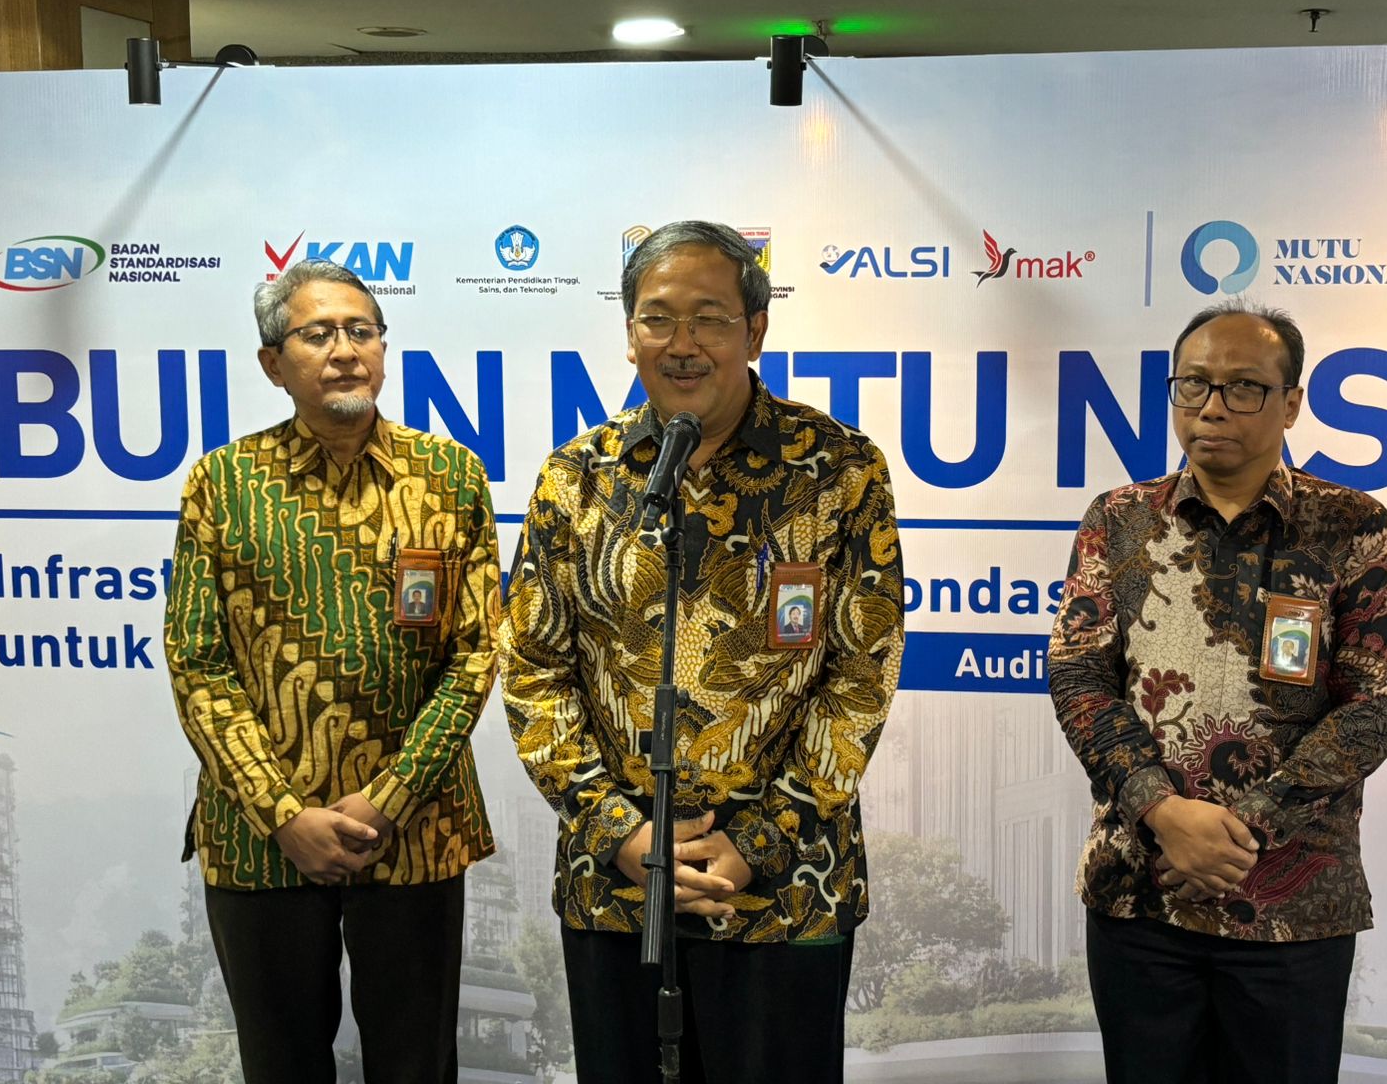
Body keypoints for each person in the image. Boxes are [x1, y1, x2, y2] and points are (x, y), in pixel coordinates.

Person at [499, 220, 904, 1084]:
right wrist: (618, 830)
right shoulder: (577, 477)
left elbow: (861, 673)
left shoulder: (840, 470)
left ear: (755, 330)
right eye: (658, 319)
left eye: (710, 319)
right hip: (616, 888)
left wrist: (759, 838)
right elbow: (533, 668)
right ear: (630, 333)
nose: (682, 344)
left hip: (786, 888)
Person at [1048, 299, 1387, 1084]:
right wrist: (1163, 812)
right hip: (1140, 897)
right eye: (1193, 384)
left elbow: (1374, 705)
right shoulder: (1119, 519)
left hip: (1293, 914)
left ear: (1291, 403)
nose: (1212, 407)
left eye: (1244, 387)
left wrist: (1241, 832)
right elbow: (1079, 675)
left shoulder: (1351, 526)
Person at [164, 258, 500, 1084]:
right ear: (273, 363)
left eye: (361, 331)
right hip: (261, 836)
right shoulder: (223, 484)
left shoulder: (450, 476)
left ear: (383, 348)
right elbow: (197, 661)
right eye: (317, 334)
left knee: (418, 1066)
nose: (345, 350)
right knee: (280, 1065)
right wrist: (284, 814)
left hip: (415, 830)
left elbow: (476, 652)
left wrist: (390, 800)